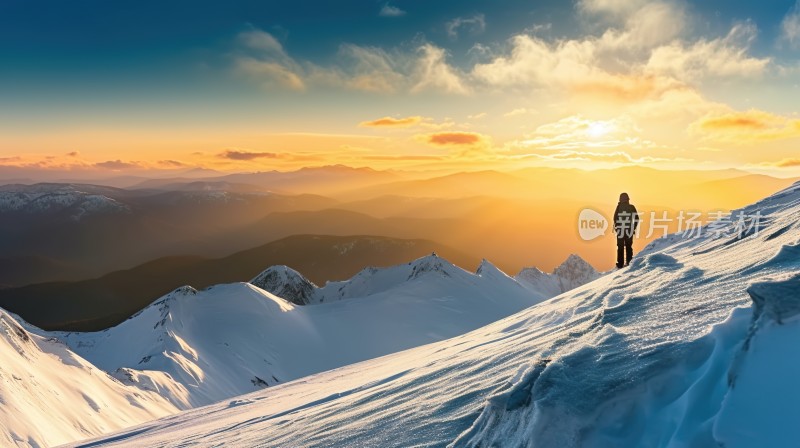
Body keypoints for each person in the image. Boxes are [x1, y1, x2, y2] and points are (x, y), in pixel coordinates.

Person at [613, 192, 639, 268]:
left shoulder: (619, 207)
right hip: (629, 230)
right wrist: (633, 228)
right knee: (628, 247)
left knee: (620, 247)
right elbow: (637, 218)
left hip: (620, 230)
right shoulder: (631, 207)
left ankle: (620, 264)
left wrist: (617, 227)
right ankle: (629, 262)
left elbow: (615, 218)